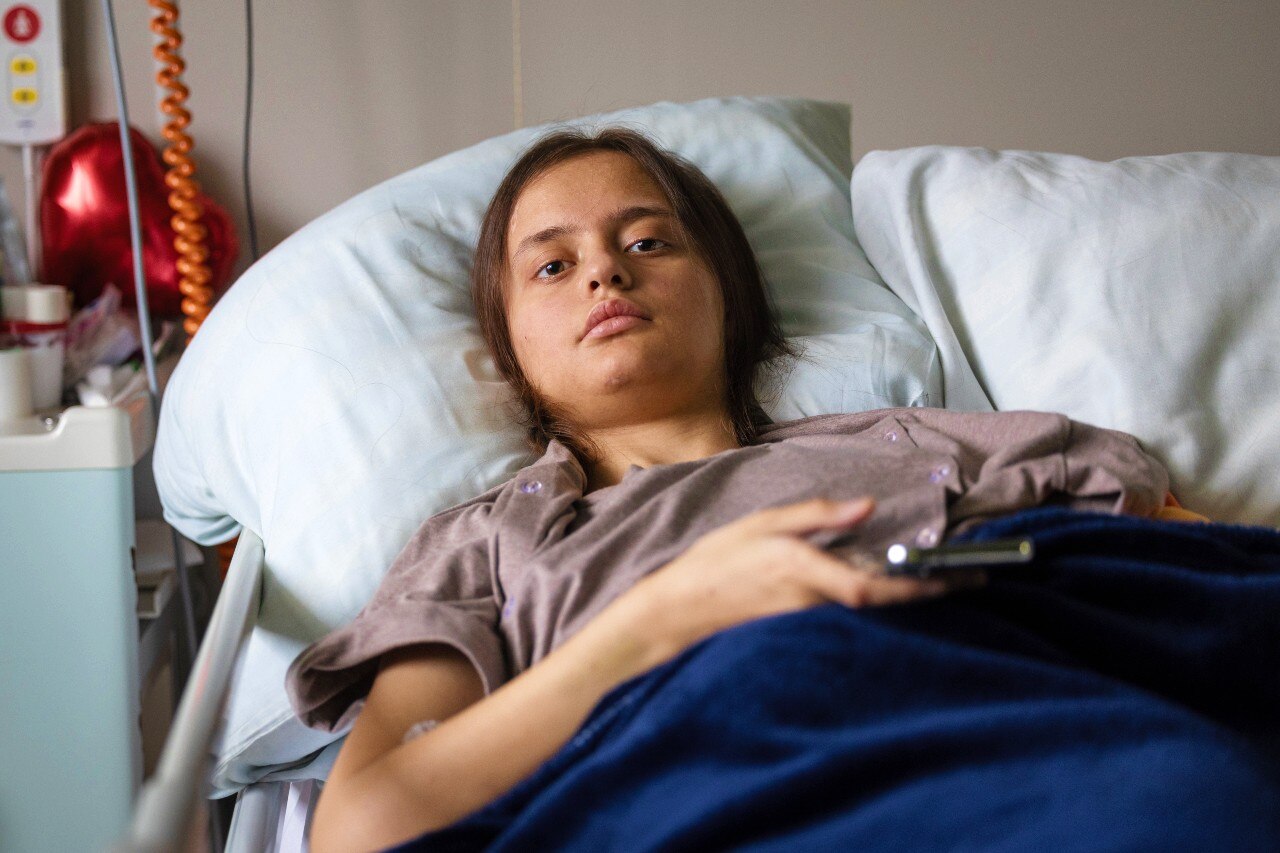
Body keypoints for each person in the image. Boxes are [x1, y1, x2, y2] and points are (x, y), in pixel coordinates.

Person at [288, 128, 1175, 852]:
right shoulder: (483, 543)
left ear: (729, 293)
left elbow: (1190, 558)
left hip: (1045, 753)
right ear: (509, 342)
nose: (605, 272)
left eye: (647, 242)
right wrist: (658, 621)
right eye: (551, 266)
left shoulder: (910, 441)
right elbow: (365, 828)